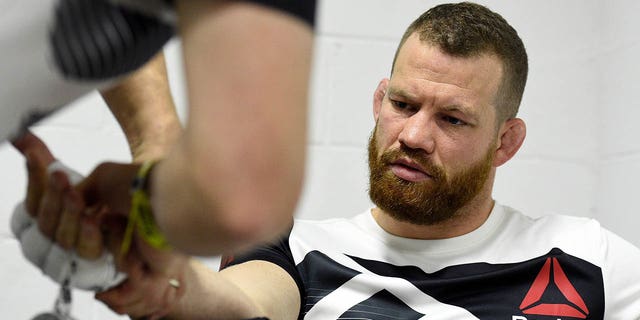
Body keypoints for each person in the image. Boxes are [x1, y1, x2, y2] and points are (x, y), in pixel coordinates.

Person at [20, 1, 640, 319]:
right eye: (402, 103)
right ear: (379, 99)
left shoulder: (593, 259)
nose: (415, 135)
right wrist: (159, 284)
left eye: (452, 119)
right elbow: (244, 307)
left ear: (507, 141)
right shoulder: (296, 249)